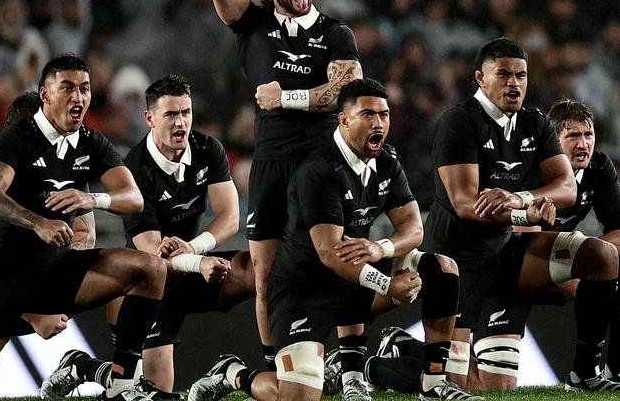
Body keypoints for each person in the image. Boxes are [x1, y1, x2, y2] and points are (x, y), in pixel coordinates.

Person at [188, 79, 482, 401]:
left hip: (355, 277)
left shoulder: (386, 162)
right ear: (342, 120)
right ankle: (234, 373)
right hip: (304, 290)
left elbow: (414, 228)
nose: (379, 123)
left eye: (384, 115)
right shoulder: (319, 169)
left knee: (441, 268)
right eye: (368, 115)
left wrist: (380, 247)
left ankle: (432, 381)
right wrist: (387, 285)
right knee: (297, 395)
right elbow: (329, 253)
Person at [207, 0, 364, 378]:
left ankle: (351, 370)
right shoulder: (252, 24)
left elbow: (346, 93)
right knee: (266, 275)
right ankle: (271, 371)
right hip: (271, 164)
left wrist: (286, 97)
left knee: (341, 258)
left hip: (322, 164)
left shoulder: (336, 33)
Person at [39, 74, 256, 399]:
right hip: (148, 284)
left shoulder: (207, 149)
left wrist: (196, 249)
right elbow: (153, 253)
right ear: (150, 118)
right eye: (171, 114)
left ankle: (259, 369)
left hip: (193, 263)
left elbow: (229, 217)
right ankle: (81, 366)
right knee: (152, 391)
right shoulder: (135, 169)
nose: (181, 122)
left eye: (186, 112)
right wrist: (198, 262)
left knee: (256, 268)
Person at [423, 38, 619, 391]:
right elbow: (468, 206)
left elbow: (566, 188)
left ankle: (586, 375)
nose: (515, 83)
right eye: (504, 74)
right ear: (480, 78)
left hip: (510, 256)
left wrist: (519, 199)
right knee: (454, 382)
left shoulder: (536, 123)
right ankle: (389, 358)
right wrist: (526, 214)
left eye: (522, 75)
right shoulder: (459, 121)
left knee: (602, 256)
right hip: (459, 260)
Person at [0, 54, 168, 401]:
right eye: (68, 89)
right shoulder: (0, 158)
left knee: (148, 268)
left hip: (52, 274)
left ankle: (121, 385)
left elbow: (108, 217)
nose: (78, 97)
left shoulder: (86, 146)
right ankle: (87, 368)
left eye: (85, 89)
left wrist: (92, 201)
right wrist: (33, 312)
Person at [472, 98, 620, 391]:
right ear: (553, 141)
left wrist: (594, 265)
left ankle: (594, 375)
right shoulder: (528, 169)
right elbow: (520, 242)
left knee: (610, 268)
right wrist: (585, 271)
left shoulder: (598, 167)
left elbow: (618, 233)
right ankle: (403, 350)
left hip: (557, 267)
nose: (583, 144)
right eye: (573, 136)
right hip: (508, 276)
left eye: (587, 135)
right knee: (494, 388)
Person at [0, 91, 94, 340]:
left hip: (38, 288)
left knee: (133, 272)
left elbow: (86, 234)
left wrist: (54, 289)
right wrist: (31, 313)